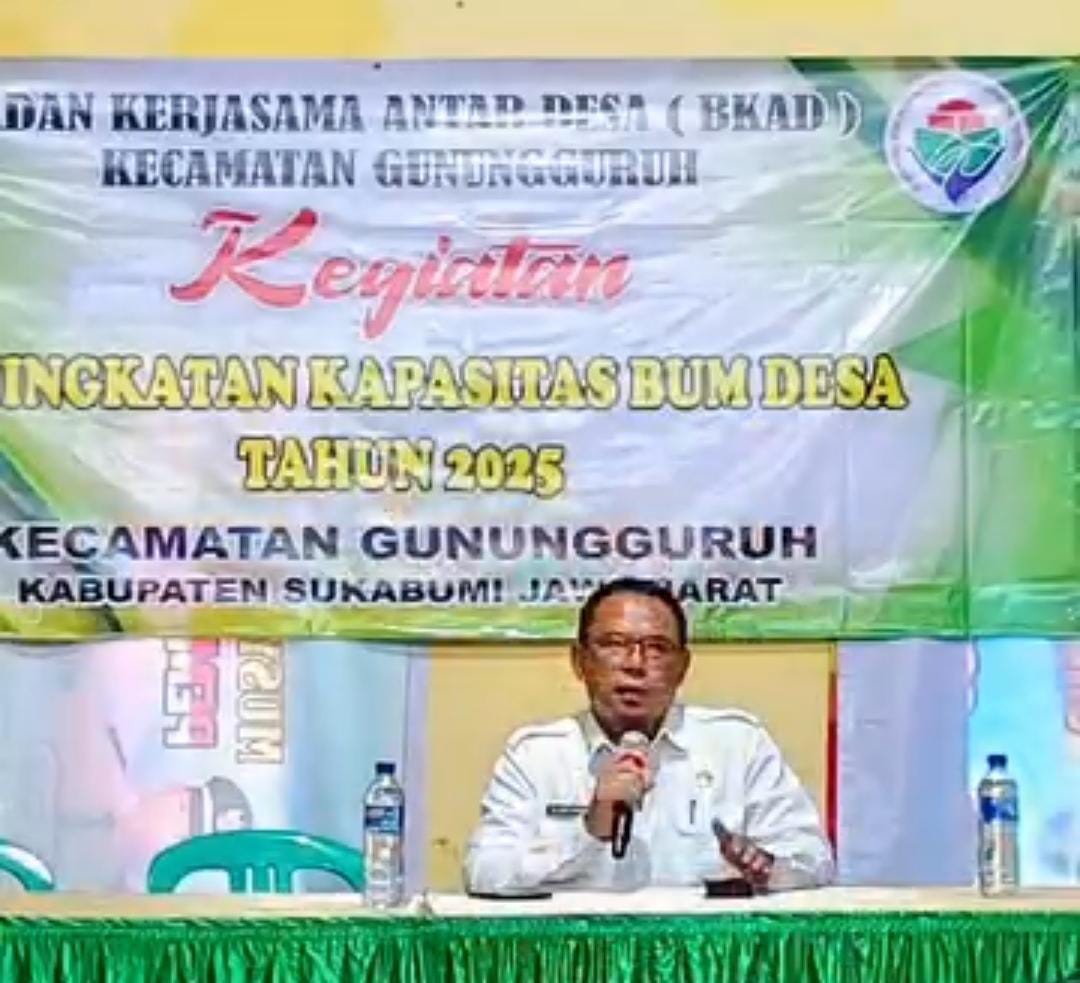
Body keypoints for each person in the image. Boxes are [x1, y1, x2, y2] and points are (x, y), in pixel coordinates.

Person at [464, 577, 834, 893]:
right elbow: (484, 874)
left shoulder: (737, 744)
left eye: (657, 648)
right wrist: (589, 830)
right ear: (580, 660)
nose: (635, 664)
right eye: (614, 644)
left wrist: (769, 868)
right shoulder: (537, 755)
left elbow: (814, 861)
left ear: (683, 666)